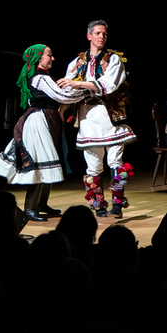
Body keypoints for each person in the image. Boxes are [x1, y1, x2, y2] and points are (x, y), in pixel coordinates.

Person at [0, 44, 90, 221]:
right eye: (49, 55)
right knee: (40, 162)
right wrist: (86, 91)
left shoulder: (43, 77)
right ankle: (30, 207)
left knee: (50, 162)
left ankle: (42, 203)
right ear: (39, 58)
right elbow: (61, 96)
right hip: (38, 122)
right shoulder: (39, 78)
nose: (53, 58)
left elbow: (59, 94)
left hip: (47, 120)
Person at [58, 20, 136, 218]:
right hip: (87, 117)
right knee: (92, 165)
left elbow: (108, 84)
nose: (101, 36)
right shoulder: (76, 63)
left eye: (104, 34)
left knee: (116, 162)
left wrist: (78, 84)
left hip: (109, 116)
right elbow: (67, 86)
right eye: (98, 33)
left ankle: (117, 203)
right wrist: (62, 106)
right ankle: (98, 204)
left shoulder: (113, 60)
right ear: (89, 36)